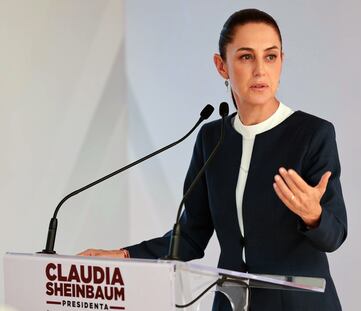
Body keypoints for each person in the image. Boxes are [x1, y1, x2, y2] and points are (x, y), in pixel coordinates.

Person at [79, 8, 347, 310]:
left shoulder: (312, 134)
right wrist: (126, 256)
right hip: (230, 303)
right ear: (222, 66)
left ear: (281, 61)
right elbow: (191, 236)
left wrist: (314, 216)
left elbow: (334, 235)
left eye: (270, 56)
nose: (260, 70)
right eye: (246, 57)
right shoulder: (212, 138)